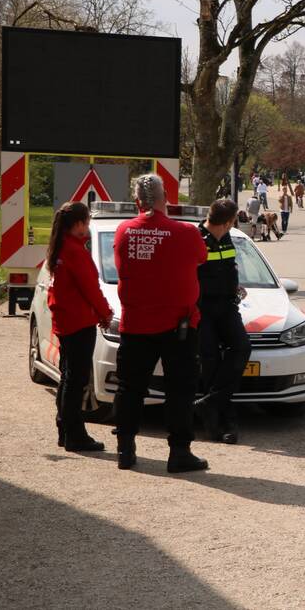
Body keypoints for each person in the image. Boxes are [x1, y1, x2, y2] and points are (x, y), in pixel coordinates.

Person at [113, 174, 209, 473]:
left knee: (130, 388)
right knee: (180, 390)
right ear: (165, 198)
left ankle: (125, 450)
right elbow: (201, 259)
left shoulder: (124, 231)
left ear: (137, 202)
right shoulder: (186, 232)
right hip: (178, 326)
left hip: (135, 324)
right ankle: (179, 452)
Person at [46, 201, 113, 452]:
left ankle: (65, 428)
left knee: (67, 377)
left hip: (65, 321)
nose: (88, 226)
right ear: (77, 225)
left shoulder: (60, 247)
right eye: (86, 222)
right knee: (76, 380)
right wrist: (105, 313)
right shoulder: (75, 252)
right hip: (79, 322)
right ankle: (75, 433)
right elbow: (90, 289)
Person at [194, 199, 251, 445]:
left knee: (242, 346)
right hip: (202, 308)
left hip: (227, 305)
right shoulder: (194, 239)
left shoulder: (227, 237)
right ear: (228, 222)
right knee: (211, 362)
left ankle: (209, 403)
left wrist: (234, 286)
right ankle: (219, 422)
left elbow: (226, 267)